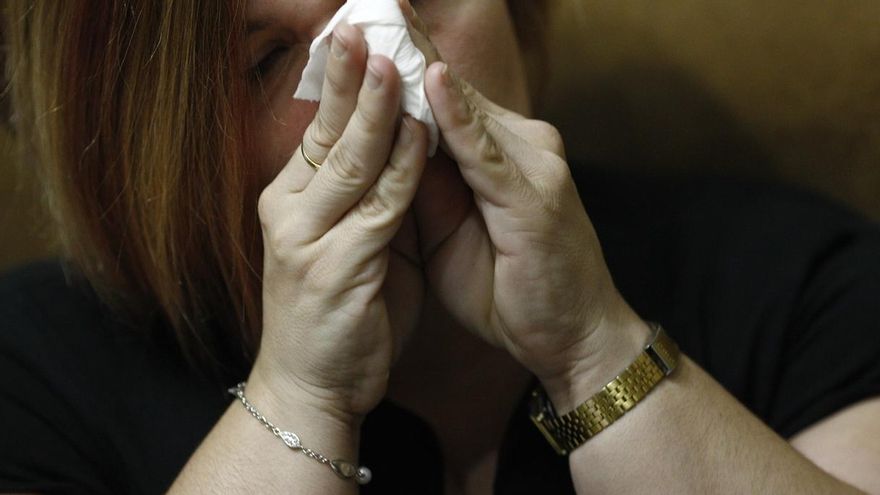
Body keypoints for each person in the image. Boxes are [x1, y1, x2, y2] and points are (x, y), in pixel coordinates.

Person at [1, 0, 879, 493]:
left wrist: (596, 351)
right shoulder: (36, 371)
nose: (392, 80)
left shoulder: (795, 279)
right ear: (143, 141)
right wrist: (301, 393)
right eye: (269, 62)